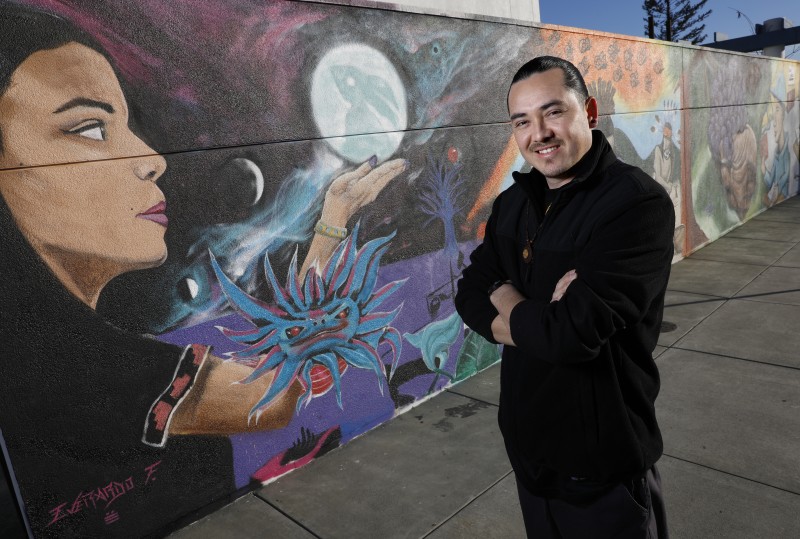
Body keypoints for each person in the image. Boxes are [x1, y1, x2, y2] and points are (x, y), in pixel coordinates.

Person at [0, 3, 403, 536]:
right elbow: (276, 394)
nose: (152, 158)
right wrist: (331, 224)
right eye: (92, 130)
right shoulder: (63, 363)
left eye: (127, 126)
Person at [455, 56, 674, 538]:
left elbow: (570, 336)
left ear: (589, 111)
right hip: (528, 450)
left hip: (601, 466)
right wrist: (529, 312)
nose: (539, 133)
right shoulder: (513, 204)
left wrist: (505, 296)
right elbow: (469, 293)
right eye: (522, 121)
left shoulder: (635, 205)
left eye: (553, 112)